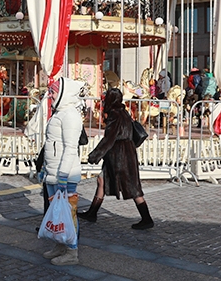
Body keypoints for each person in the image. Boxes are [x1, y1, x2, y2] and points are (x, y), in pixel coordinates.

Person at [80, 88, 154, 229]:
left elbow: (110, 138)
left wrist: (95, 155)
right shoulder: (124, 112)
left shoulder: (114, 114)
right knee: (102, 180)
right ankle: (92, 212)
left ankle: (146, 218)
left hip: (119, 156)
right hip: (126, 153)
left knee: (133, 188)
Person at [41, 77, 84, 266]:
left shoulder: (70, 116)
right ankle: (60, 245)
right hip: (54, 172)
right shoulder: (59, 113)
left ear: (63, 93)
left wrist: (63, 177)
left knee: (68, 214)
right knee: (57, 213)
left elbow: (70, 148)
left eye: (53, 91)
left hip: (63, 174)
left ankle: (72, 251)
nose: (50, 94)